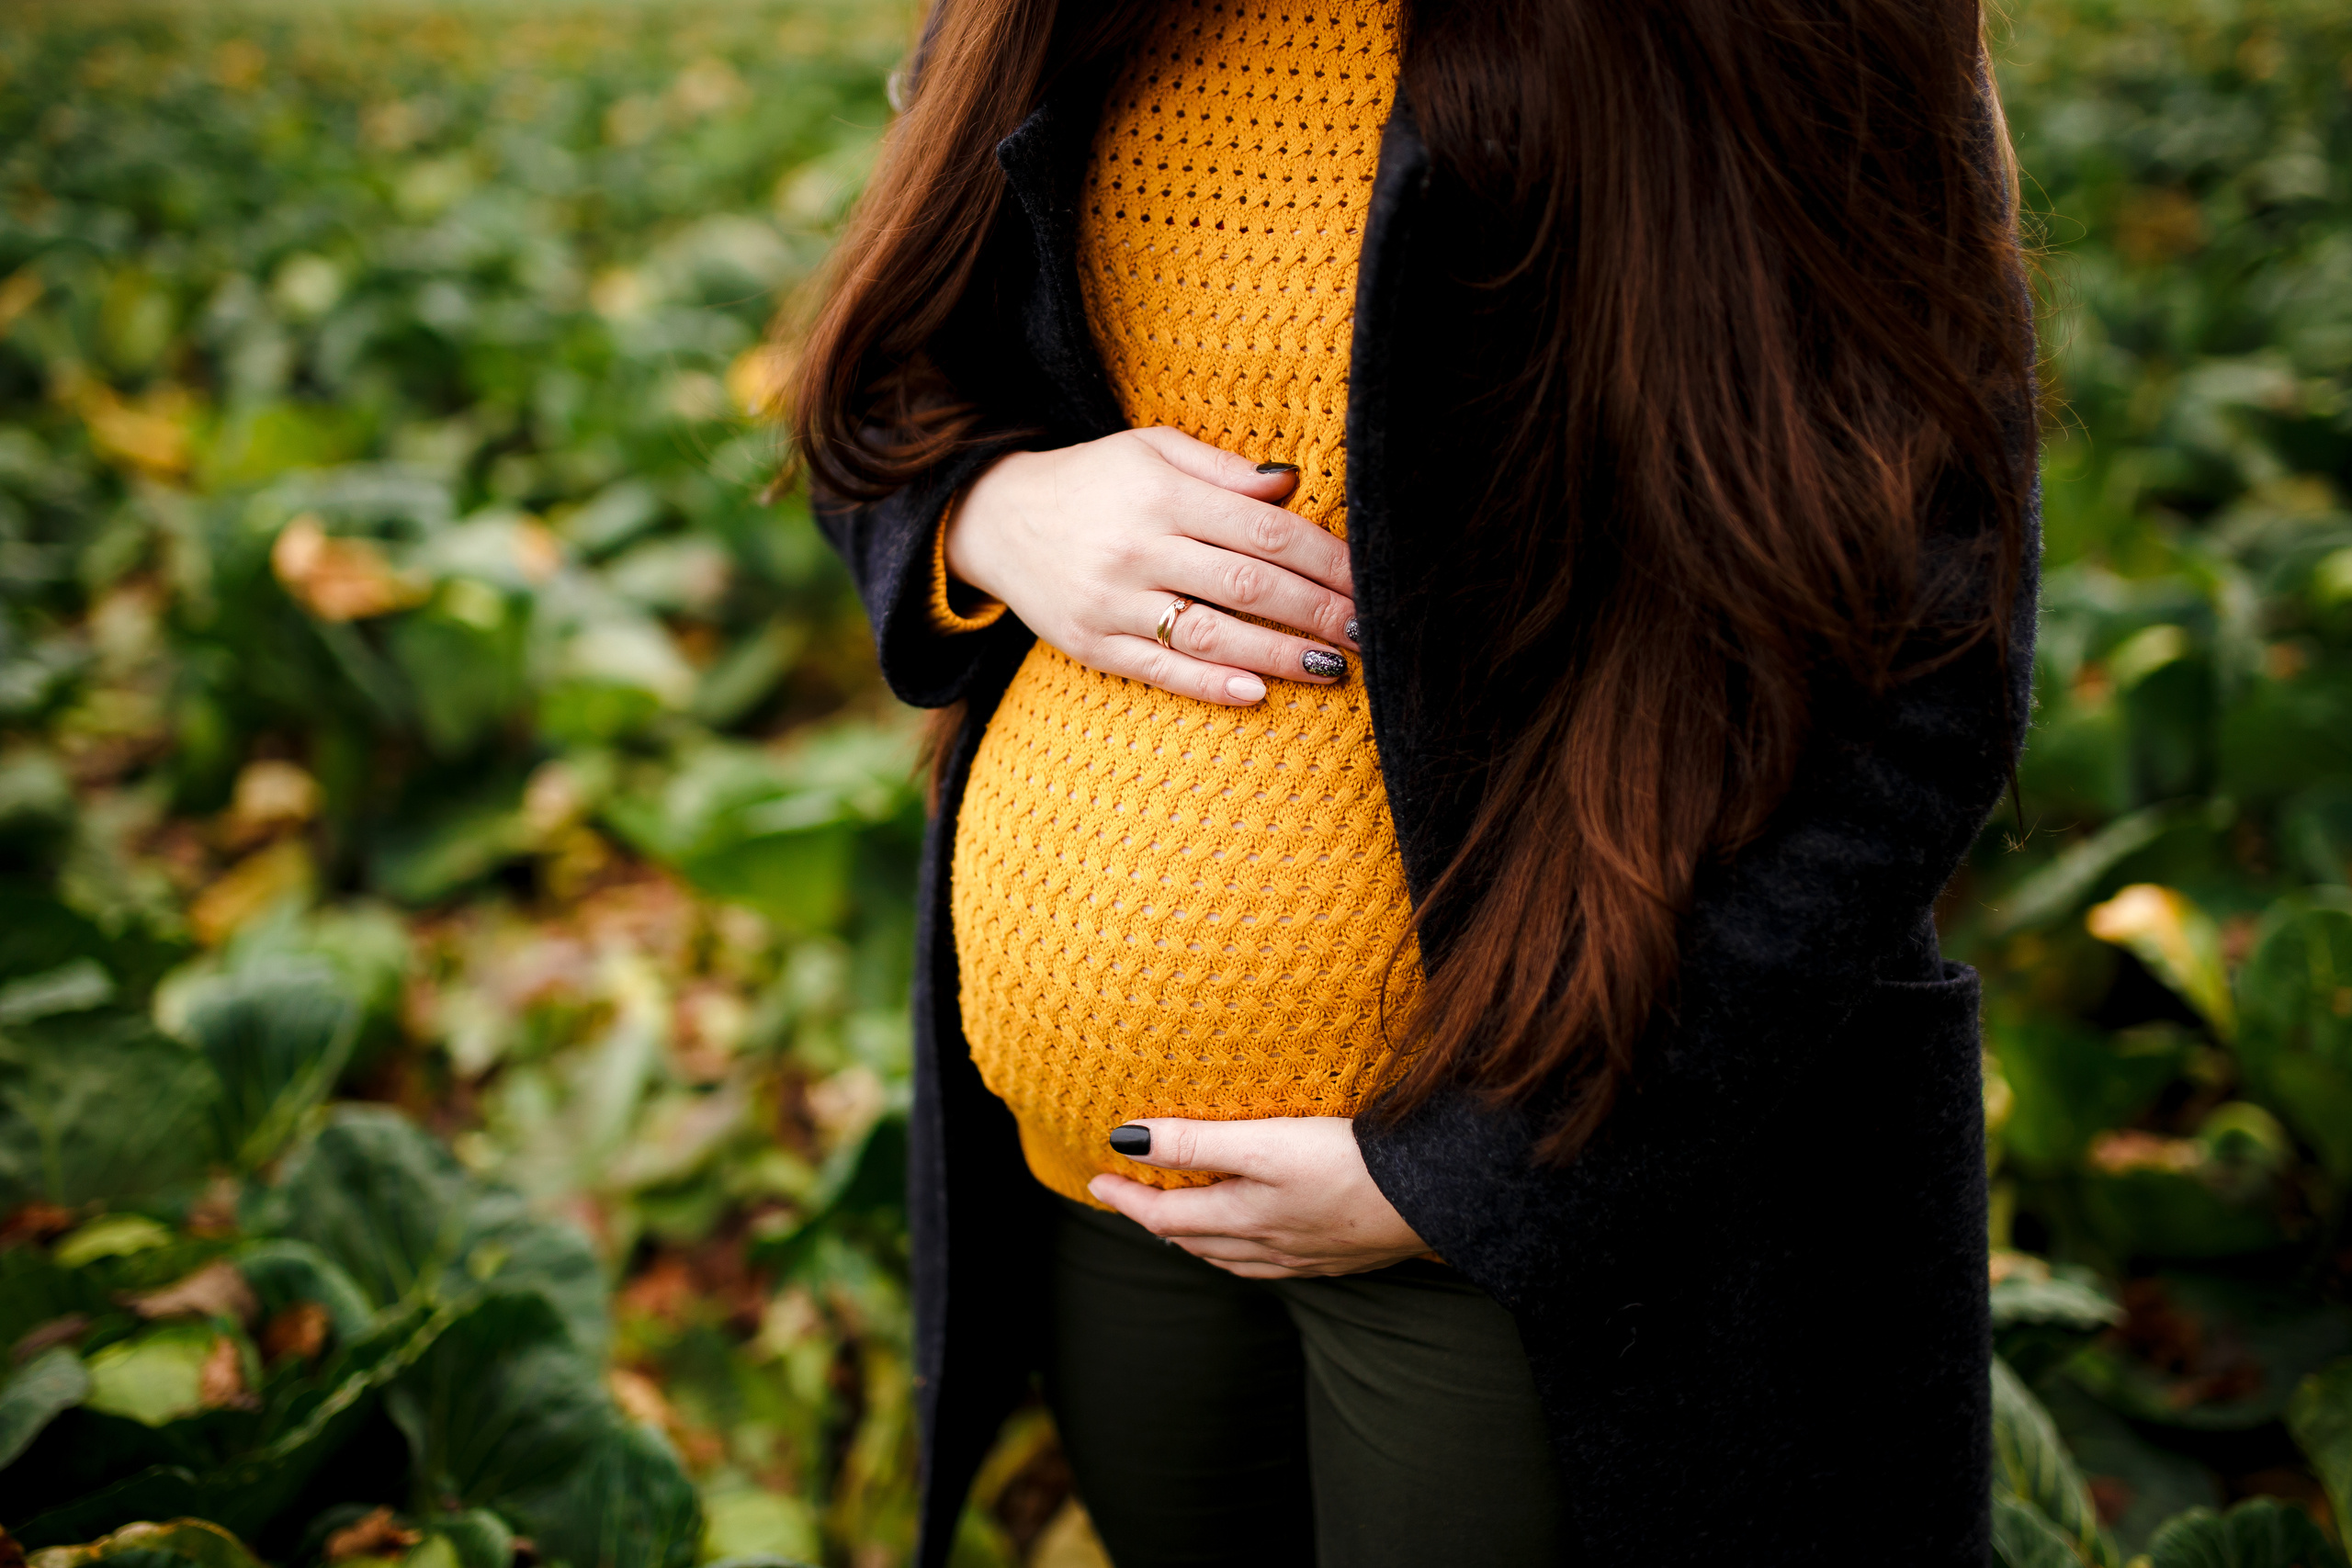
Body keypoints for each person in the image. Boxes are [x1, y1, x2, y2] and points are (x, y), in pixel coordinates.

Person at [795, 1, 2038, 1562]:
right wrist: (988, 516)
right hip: (1106, 1192)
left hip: (1546, 1185)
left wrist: (1473, 1176)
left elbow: (1921, 677)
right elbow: (878, 398)